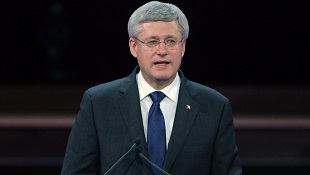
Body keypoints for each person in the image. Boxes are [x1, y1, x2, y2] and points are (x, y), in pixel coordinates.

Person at [61, 1, 242, 174]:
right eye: (152, 42)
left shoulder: (214, 106)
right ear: (134, 47)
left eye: (171, 41)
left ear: (183, 47)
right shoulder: (98, 103)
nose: (162, 50)